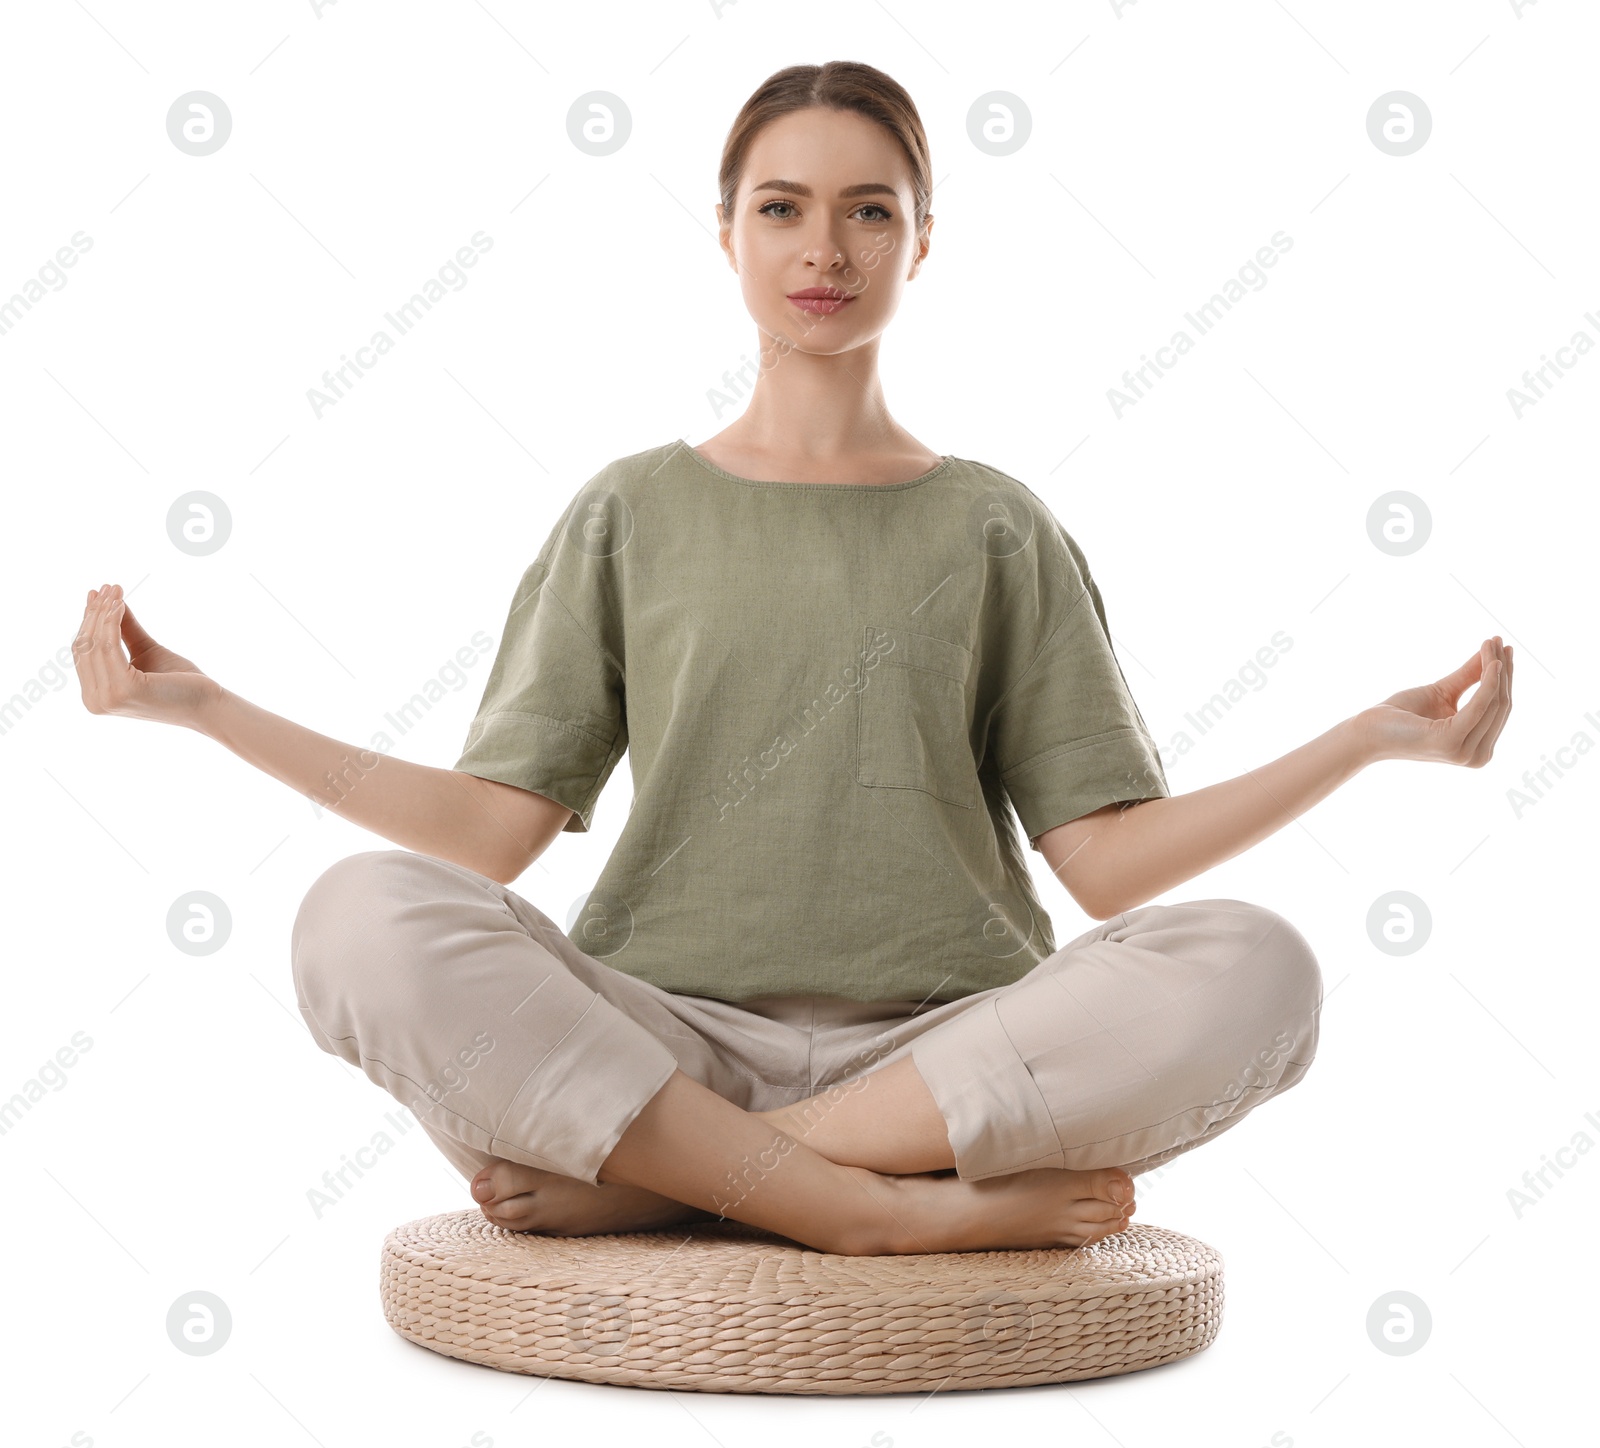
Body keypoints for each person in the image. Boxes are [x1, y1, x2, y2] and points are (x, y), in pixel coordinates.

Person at [72, 61, 1513, 1259]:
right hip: (653, 1040)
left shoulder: (997, 527)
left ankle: (683, 1182)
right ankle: (873, 1218)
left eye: (868, 212)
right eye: (784, 209)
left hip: (948, 1064)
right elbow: (487, 835)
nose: (824, 251)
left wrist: (1365, 740)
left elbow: (1112, 873)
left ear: (922, 241)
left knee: (1258, 969)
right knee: (354, 920)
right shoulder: (631, 511)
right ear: (726, 235)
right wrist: (204, 707)